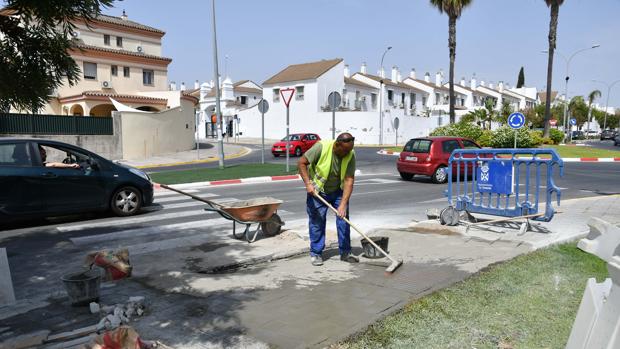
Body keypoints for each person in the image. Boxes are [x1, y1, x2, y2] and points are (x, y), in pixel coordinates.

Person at [298, 133, 358, 266]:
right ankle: (316, 253)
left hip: (338, 191)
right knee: (317, 221)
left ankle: (345, 252)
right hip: (318, 192)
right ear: (337, 145)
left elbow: (349, 180)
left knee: (343, 220)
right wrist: (308, 184)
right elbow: (302, 163)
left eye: (349, 150)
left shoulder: (350, 154)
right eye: (345, 151)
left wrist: (342, 204)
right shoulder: (321, 147)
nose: (347, 153)